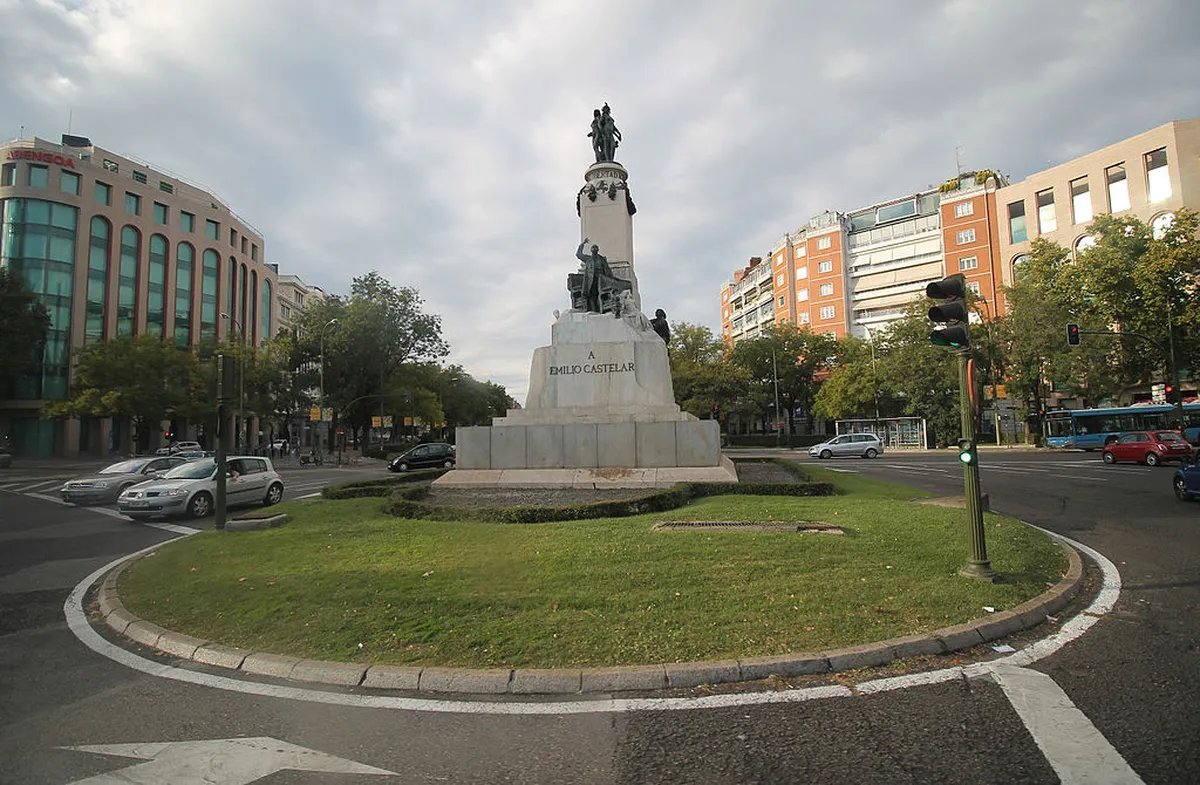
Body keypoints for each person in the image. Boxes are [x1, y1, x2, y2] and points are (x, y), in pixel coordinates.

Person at [576, 238, 615, 312]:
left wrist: (610, 279)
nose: (594, 249)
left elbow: (607, 270)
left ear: (598, 249)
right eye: (593, 248)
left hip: (601, 280)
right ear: (591, 250)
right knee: (592, 296)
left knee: (600, 295)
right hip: (591, 281)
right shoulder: (588, 259)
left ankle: (599, 309)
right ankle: (593, 310)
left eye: (595, 247)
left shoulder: (601, 259)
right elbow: (578, 255)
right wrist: (582, 244)